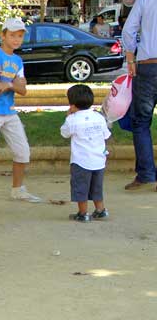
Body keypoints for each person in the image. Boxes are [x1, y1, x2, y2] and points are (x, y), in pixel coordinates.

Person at [0, 17, 42, 203]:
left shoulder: (18, 60)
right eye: (12, 35)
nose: (16, 39)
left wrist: (9, 85)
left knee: (22, 151)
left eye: (20, 36)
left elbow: (22, 89)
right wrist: (13, 83)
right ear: (2, 35)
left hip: (9, 112)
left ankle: (18, 189)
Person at [121, 0, 157, 191]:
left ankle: (146, 175)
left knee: (141, 121)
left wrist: (130, 57)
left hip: (148, 65)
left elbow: (129, 29)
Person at [60, 84, 110, 221]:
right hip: (99, 159)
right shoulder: (99, 117)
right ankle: (100, 210)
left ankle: (83, 213)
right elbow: (106, 135)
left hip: (81, 161)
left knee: (81, 186)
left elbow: (64, 133)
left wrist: (68, 116)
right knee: (96, 187)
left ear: (72, 104)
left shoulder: (72, 119)